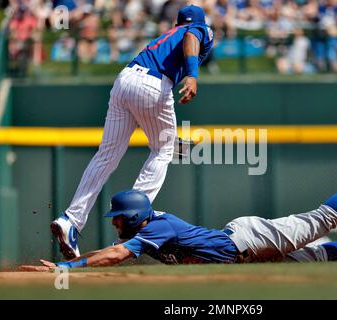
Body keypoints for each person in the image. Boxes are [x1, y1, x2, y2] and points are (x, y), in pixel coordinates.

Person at [21, 161, 337, 271]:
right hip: (242, 250)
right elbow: (115, 251)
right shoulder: (147, 229)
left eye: (117, 218)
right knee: (313, 257)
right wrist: (78, 261)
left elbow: (119, 254)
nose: (114, 222)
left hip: (247, 240)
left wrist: (67, 270)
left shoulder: (154, 226)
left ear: (134, 218)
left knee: (320, 221)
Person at [50, 4, 214, 261]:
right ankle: (133, 225)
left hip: (126, 79)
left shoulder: (166, 36)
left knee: (107, 155)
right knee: (163, 150)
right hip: (153, 84)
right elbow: (193, 36)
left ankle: (71, 220)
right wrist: (192, 75)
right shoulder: (199, 28)